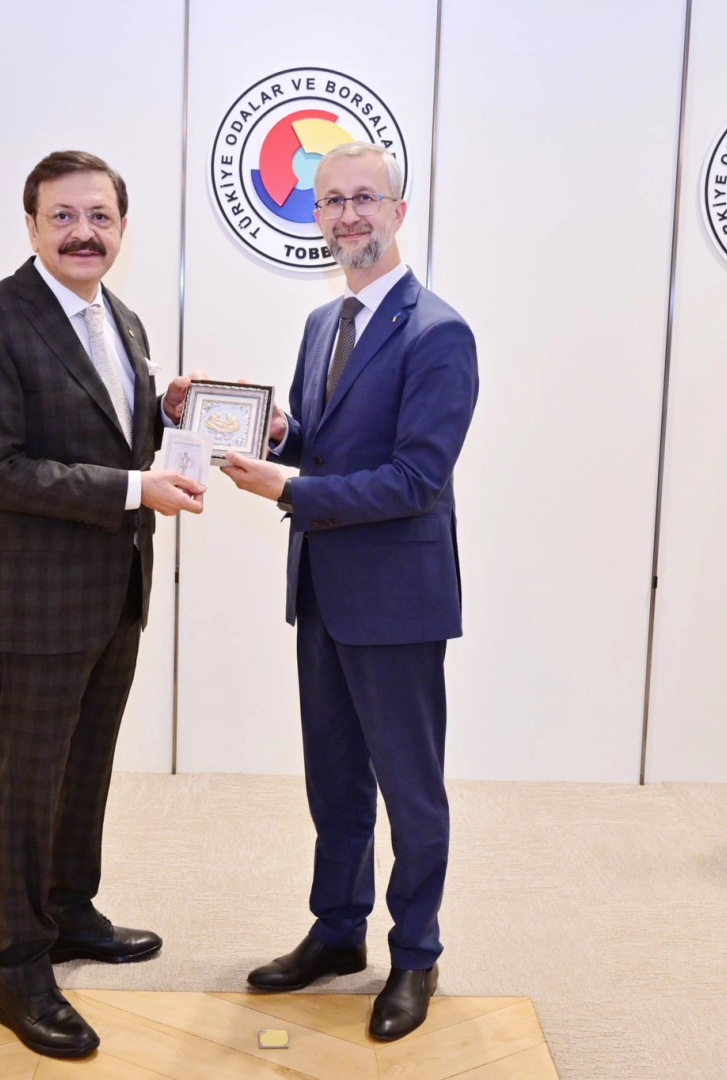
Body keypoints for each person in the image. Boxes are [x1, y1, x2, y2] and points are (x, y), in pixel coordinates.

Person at [0, 150, 205, 1059]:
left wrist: (171, 413)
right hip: (34, 603)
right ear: (31, 225)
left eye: (99, 216)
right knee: (29, 785)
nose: (82, 233)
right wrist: (136, 489)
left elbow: (111, 433)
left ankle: (68, 910)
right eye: (62, 216)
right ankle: (17, 967)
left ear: (121, 228)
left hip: (114, 590)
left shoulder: (121, 319)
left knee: (85, 766)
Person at [221, 141, 478, 1041]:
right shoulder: (321, 324)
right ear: (317, 217)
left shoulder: (438, 333)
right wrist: (272, 435)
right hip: (324, 590)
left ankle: (415, 955)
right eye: (331, 201)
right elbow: (323, 445)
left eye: (364, 198)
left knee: (409, 789)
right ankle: (337, 933)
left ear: (398, 212)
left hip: (398, 600)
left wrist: (289, 489)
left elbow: (414, 479)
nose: (347, 215)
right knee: (333, 779)